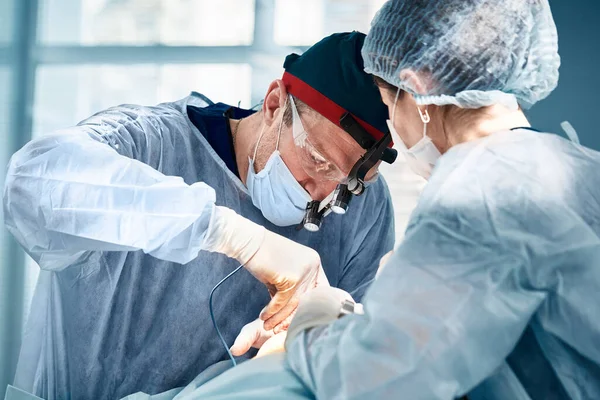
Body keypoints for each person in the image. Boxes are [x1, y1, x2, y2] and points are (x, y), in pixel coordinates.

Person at [169, 0, 600, 399]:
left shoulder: (478, 191)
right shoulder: (579, 166)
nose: (392, 121)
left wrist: (313, 318)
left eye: (386, 102)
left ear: (417, 86)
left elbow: (371, 378)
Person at [2, 32, 395, 399]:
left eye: (347, 184)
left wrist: (314, 337)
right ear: (275, 105)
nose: (323, 196)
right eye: (317, 160)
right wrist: (232, 233)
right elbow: (32, 180)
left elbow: (361, 368)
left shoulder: (364, 209)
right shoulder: (151, 143)